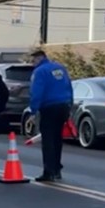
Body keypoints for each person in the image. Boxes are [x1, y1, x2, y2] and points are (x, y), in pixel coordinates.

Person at [28, 48, 73, 182]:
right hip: (63, 105)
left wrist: (33, 110)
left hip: (49, 107)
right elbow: (69, 86)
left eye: (33, 60)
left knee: (48, 140)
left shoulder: (40, 71)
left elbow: (37, 91)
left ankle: (49, 172)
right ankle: (57, 169)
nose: (32, 63)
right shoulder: (60, 68)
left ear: (39, 58)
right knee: (57, 139)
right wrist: (70, 104)